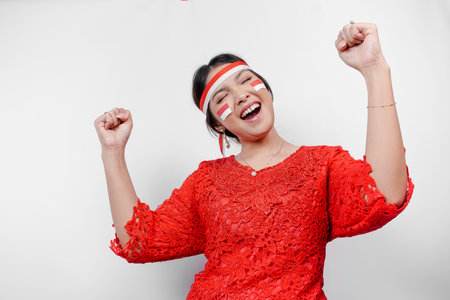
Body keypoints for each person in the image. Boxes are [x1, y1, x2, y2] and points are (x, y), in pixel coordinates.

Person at [94, 22, 414, 299]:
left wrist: (374, 69)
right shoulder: (206, 182)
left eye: (247, 80)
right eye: (222, 97)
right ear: (219, 124)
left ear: (265, 90)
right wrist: (113, 152)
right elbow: (140, 243)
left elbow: (385, 194)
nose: (241, 94)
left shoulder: (323, 164)